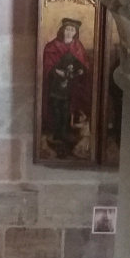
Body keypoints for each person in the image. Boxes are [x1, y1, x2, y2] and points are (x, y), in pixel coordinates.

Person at [41, 17, 92, 157]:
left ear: (75, 32)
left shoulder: (78, 47)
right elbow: (47, 66)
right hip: (56, 85)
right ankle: (57, 133)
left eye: (72, 30)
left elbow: (84, 64)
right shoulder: (52, 46)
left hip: (73, 86)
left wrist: (81, 71)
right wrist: (58, 72)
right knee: (57, 107)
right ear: (62, 30)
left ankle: (66, 133)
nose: (69, 32)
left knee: (68, 107)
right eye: (67, 29)